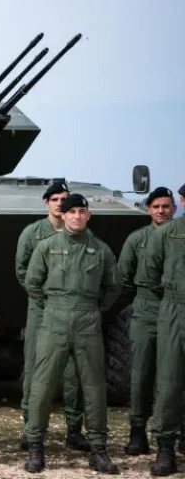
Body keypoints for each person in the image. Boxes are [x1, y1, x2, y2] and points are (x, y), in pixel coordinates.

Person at [23, 193, 120, 474]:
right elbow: (33, 282)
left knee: (93, 386)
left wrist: (93, 308)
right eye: (71, 211)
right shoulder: (47, 247)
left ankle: (99, 449)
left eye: (82, 211)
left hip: (88, 320)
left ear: (88, 215)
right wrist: (54, 307)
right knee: (42, 386)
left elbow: (113, 287)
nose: (77, 216)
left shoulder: (100, 250)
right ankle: (35, 448)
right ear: (62, 216)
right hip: (54, 320)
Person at [15, 182, 89, 452]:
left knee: (73, 372)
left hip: (75, 313)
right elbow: (22, 271)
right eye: (55, 199)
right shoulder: (33, 233)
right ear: (46, 202)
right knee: (35, 369)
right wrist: (45, 300)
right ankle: (31, 428)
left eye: (64, 199)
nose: (60, 203)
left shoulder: (83, 236)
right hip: (41, 310)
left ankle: (74, 429)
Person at [118, 186, 177, 455]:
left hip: (177, 308)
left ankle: (178, 432)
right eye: (156, 207)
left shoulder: (180, 236)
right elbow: (124, 277)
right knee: (141, 373)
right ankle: (138, 431)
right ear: (148, 210)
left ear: (174, 208)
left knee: (175, 376)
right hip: (147, 309)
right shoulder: (136, 240)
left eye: (166, 206)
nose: (162, 211)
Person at [142, 183, 185, 477]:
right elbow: (151, 273)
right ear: (182, 200)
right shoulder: (167, 233)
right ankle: (166, 449)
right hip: (175, 310)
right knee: (169, 381)